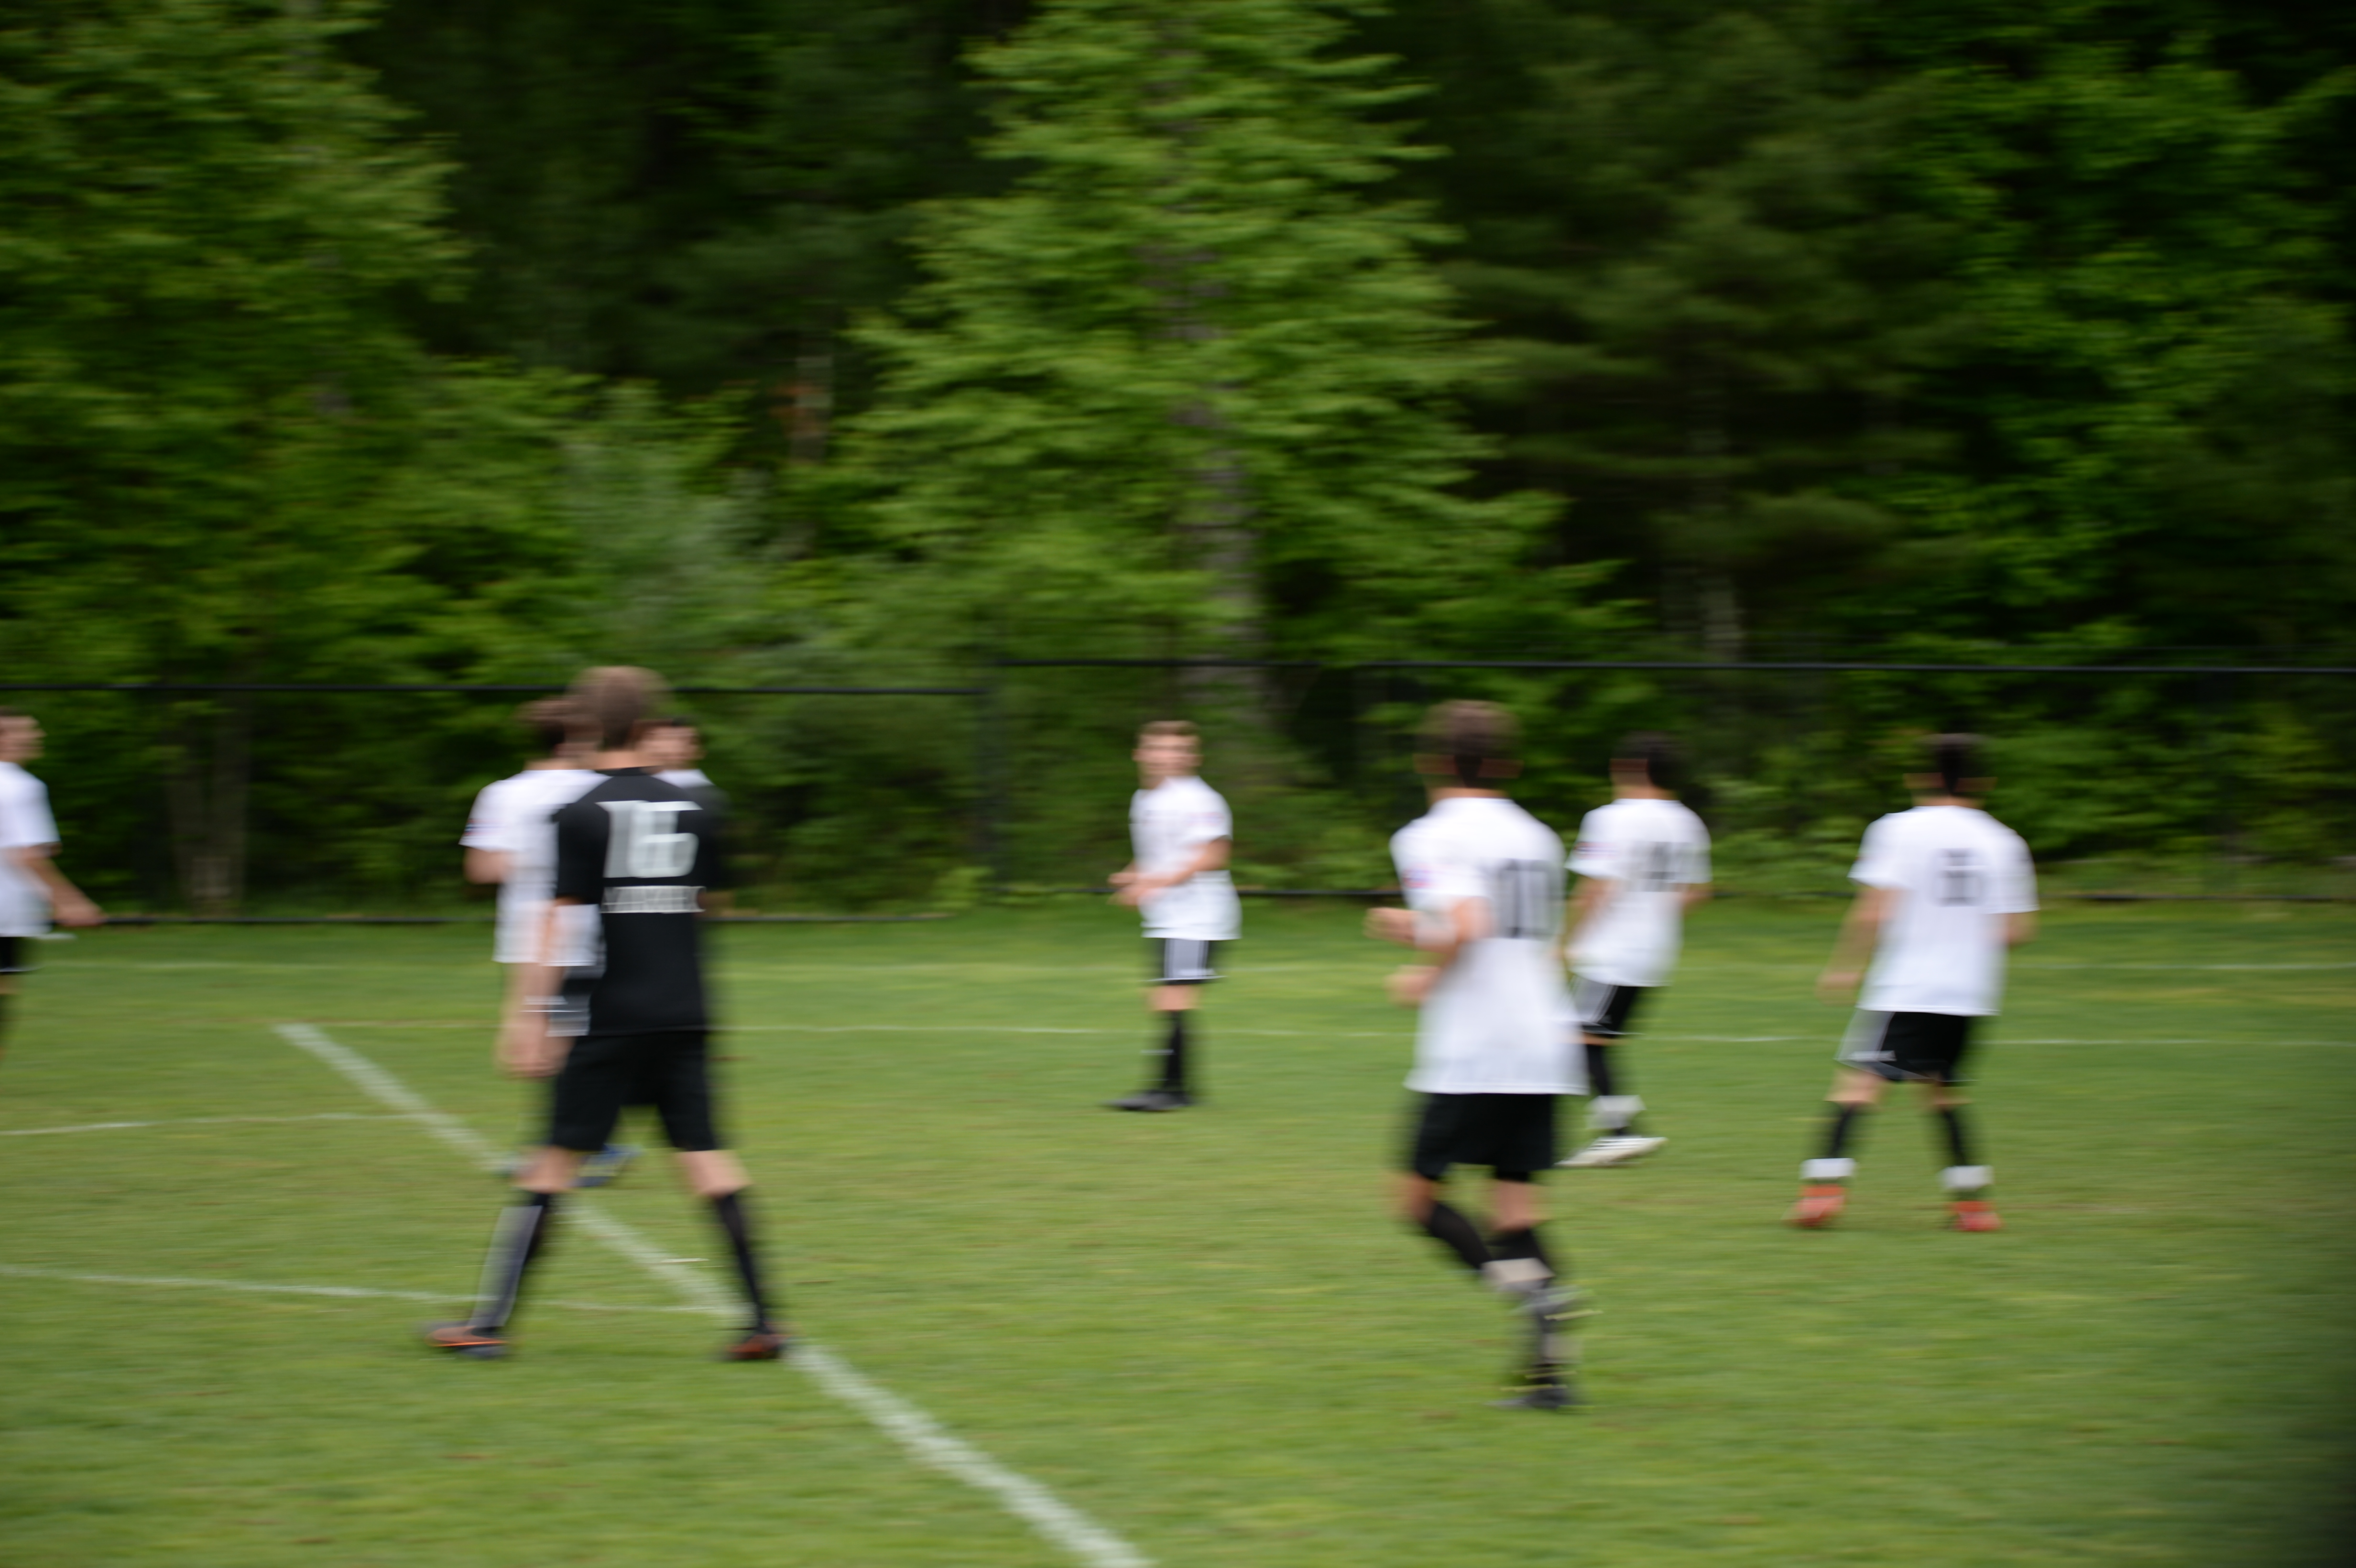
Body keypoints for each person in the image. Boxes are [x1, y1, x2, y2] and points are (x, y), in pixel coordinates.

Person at [427, 667, 785, 1361]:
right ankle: (764, 1322)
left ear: (586, 728)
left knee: (552, 1162)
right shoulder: (699, 808)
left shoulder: (580, 814)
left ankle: (489, 1325)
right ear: (651, 726)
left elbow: (556, 920)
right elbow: (710, 908)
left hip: (609, 1012)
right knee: (708, 1161)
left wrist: (530, 1015)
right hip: (685, 1010)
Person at [1367, 701, 1589, 1411]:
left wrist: (1415, 955)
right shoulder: (1537, 836)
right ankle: (1549, 1378)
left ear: (1430, 763)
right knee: (1515, 1211)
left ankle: (1538, 1300)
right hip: (1543, 1039)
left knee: (1414, 1200)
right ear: (1506, 765)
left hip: (1477, 1047)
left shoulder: (1428, 835)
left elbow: (1465, 924)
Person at [1790, 733, 2036, 1232]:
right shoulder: (2004, 841)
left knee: (1860, 1084)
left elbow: (1874, 909)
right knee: (1943, 1092)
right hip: (1969, 992)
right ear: (1983, 782)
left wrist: (1845, 965)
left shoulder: (1897, 829)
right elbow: (2016, 931)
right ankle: (1972, 1206)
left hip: (1909, 986)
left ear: (1921, 778)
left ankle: (1821, 1193)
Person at [461, 700, 634, 1189]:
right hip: (591, 928)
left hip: (528, 931)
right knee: (565, 1038)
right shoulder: (599, 789)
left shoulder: (499, 794)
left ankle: (584, 1143)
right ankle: (582, 1140)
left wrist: (534, 859)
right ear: (571, 741)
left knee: (550, 1040)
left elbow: (482, 868)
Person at [1556, 732, 1711, 1167]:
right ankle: (1619, 1127)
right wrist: (1652, 917)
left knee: (1575, 1039)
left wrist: (1565, 941)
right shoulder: (1688, 823)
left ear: (1635, 768)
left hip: (1612, 950)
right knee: (1585, 1038)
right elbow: (1697, 892)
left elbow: (1595, 887)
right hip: (1654, 952)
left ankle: (1619, 1132)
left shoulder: (1611, 819)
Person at [1105, 720, 1238, 1112]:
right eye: (1159, 748)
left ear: (1194, 757)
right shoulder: (1145, 798)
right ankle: (1172, 1088)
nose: (1169, 757)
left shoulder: (1200, 799)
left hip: (1199, 917)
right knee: (1162, 1000)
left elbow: (1214, 855)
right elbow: (1158, 855)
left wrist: (1154, 883)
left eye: (1179, 750)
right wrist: (1132, 874)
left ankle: (1171, 1091)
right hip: (1169, 916)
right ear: (1140, 754)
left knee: (1172, 1000)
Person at [0, 709, 104, 1062]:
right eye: (25, 731)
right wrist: (69, 900)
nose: (37, 736)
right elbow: (29, 854)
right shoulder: (20, 786)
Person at [643, 716, 728, 817]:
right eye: (668, 739)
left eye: (690, 741)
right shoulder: (641, 784)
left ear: (702, 751)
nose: (678, 746)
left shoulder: (708, 796)